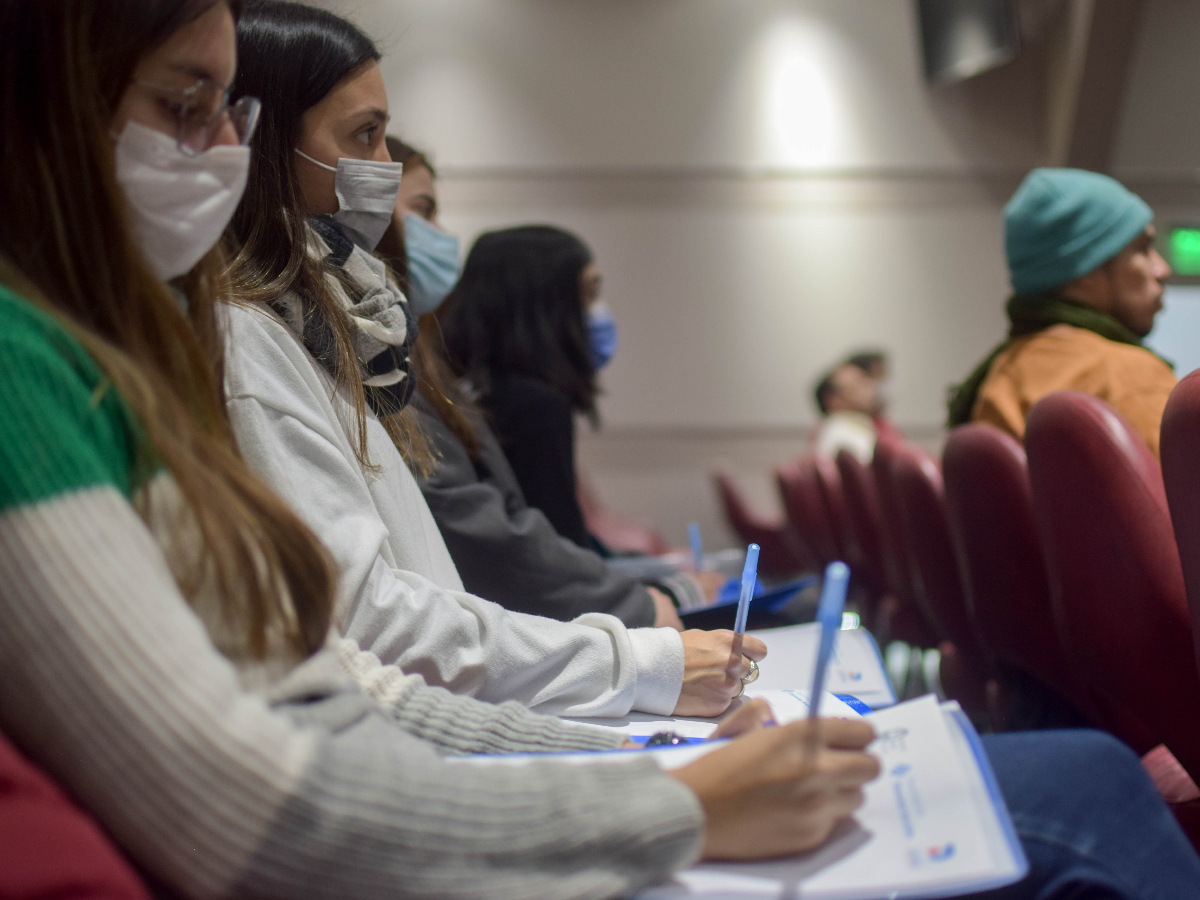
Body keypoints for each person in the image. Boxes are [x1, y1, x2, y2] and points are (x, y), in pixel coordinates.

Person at [4, 4, 1200, 898]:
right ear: (50, 103)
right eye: (182, 104)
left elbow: (344, 682)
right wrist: (662, 786)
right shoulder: (118, 360)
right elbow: (254, 788)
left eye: (233, 113)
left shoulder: (144, 366)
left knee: (1059, 769)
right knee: (1087, 785)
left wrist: (637, 745)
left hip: (477, 776)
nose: (216, 148)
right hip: (435, 835)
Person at [222, 0, 753, 718]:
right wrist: (633, 664)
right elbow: (377, 618)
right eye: (367, 136)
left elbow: (424, 601)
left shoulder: (334, 339)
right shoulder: (252, 339)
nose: (383, 168)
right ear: (266, 145)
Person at [382, 136, 711, 626]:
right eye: (425, 210)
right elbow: (513, 541)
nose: (442, 232)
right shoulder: (518, 401)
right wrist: (656, 597)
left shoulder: (433, 369)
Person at [948, 168, 1176, 456]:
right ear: (1084, 274)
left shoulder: (1000, 376)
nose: (1162, 270)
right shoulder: (1129, 379)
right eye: (1142, 249)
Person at [439, 225, 616, 548]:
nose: (598, 313)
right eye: (589, 294)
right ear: (547, 303)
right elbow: (562, 546)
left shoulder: (465, 391)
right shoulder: (536, 409)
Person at [811, 362, 882, 463]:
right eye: (858, 383)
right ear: (833, 400)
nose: (871, 386)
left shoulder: (859, 426)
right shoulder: (841, 437)